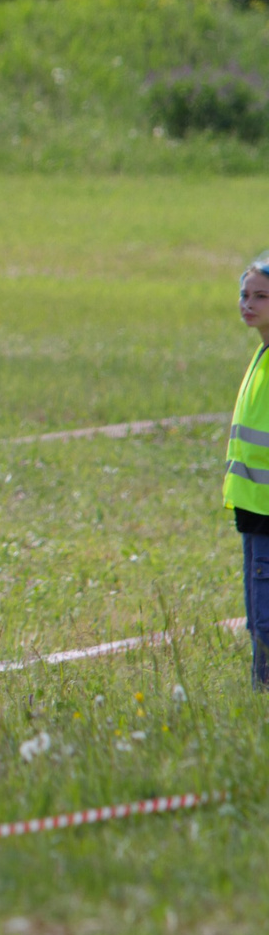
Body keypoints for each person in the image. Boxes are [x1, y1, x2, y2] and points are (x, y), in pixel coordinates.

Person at [223, 252, 269, 687]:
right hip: (254, 510)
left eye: (261, 296)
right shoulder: (261, 354)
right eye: (244, 294)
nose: (248, 303)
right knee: (257, 618)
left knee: (266, 620)